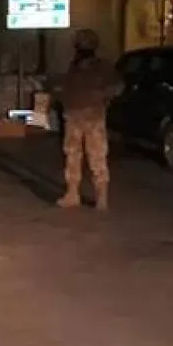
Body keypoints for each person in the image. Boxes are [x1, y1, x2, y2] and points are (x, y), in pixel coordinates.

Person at [53, 28, 121, 210]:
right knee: (78, 155)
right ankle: (77, 194)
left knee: (91, 155)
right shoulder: (76, 66)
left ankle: (98, 195)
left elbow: (117, 87)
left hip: (89, 115)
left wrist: (101, 96)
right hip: (77, 115)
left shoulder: (99, 67)